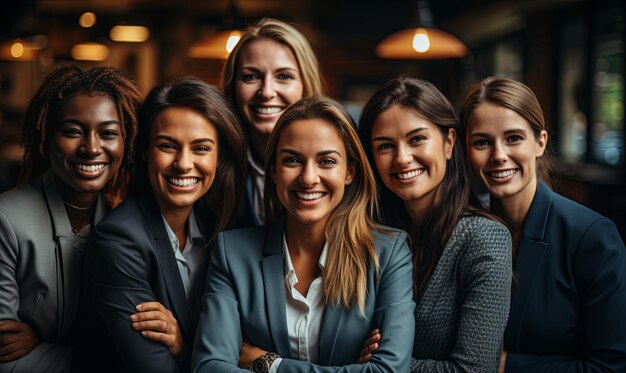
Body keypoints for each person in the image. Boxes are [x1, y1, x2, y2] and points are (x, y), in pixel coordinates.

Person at [192, 96, 415, 372]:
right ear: (273, 170)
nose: (309, 178)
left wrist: (270, 365)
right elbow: (209, 367)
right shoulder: (232, 252)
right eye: (292, 160)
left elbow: (389, 371)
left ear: (350, 171)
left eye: (327, 161)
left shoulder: (389, 252)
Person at [72, 78, 247, 372]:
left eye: (201, 148)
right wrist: (196, 353)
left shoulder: (220, 227)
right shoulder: (119, 240)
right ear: (144, 152)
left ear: (220, 157)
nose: (183, 163)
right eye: (167, 146)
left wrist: (184, 346)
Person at [460, 76, 626, 372]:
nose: (499, 155)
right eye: (482, 142)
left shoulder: (593, 237)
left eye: (513, 138)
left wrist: (508, 366)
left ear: (540, 142)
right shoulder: (463, 228)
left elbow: (610, 367)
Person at [358, 76, 513, 372]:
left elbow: (475, 370)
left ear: (448, 142)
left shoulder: (485, 238)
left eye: (417, 139)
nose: (402, 158)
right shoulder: (371, 232)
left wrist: (381, 363)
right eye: (385, 146)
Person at [0, 64, 140, 373]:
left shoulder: (126, 224)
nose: (91, 148)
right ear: (46, 136)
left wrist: (43, 347)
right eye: (73, 131)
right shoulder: (5, 219)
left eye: (108, 133)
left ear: (126, 142)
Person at [223, 17, 323, 227]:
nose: (267, 92)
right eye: (251, 77)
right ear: (233, 88)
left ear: (306, 86)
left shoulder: (340, 162)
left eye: (284, 76)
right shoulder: (216, 167)